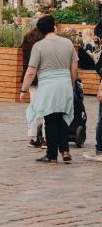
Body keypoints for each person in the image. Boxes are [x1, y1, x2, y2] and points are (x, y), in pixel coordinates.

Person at [20, 15, 77, 164]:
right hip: (65, 84)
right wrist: (70, 84)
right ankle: (65, 151)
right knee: (62, 118)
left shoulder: (39, 46)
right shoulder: (68, 43)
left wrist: (24, 90)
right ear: (54, 27)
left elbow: (31, 71)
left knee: (50, 120)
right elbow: (74, 68)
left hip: (48, 87)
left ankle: (51, 155)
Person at [21, 26, 46, 148]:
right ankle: (46, 138)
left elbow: (25, 62)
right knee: (47, 108)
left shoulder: (27, 38)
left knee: (34, 108)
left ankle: (33, 137)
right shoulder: (45, 41)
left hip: (32, 79)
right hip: (45, 78)